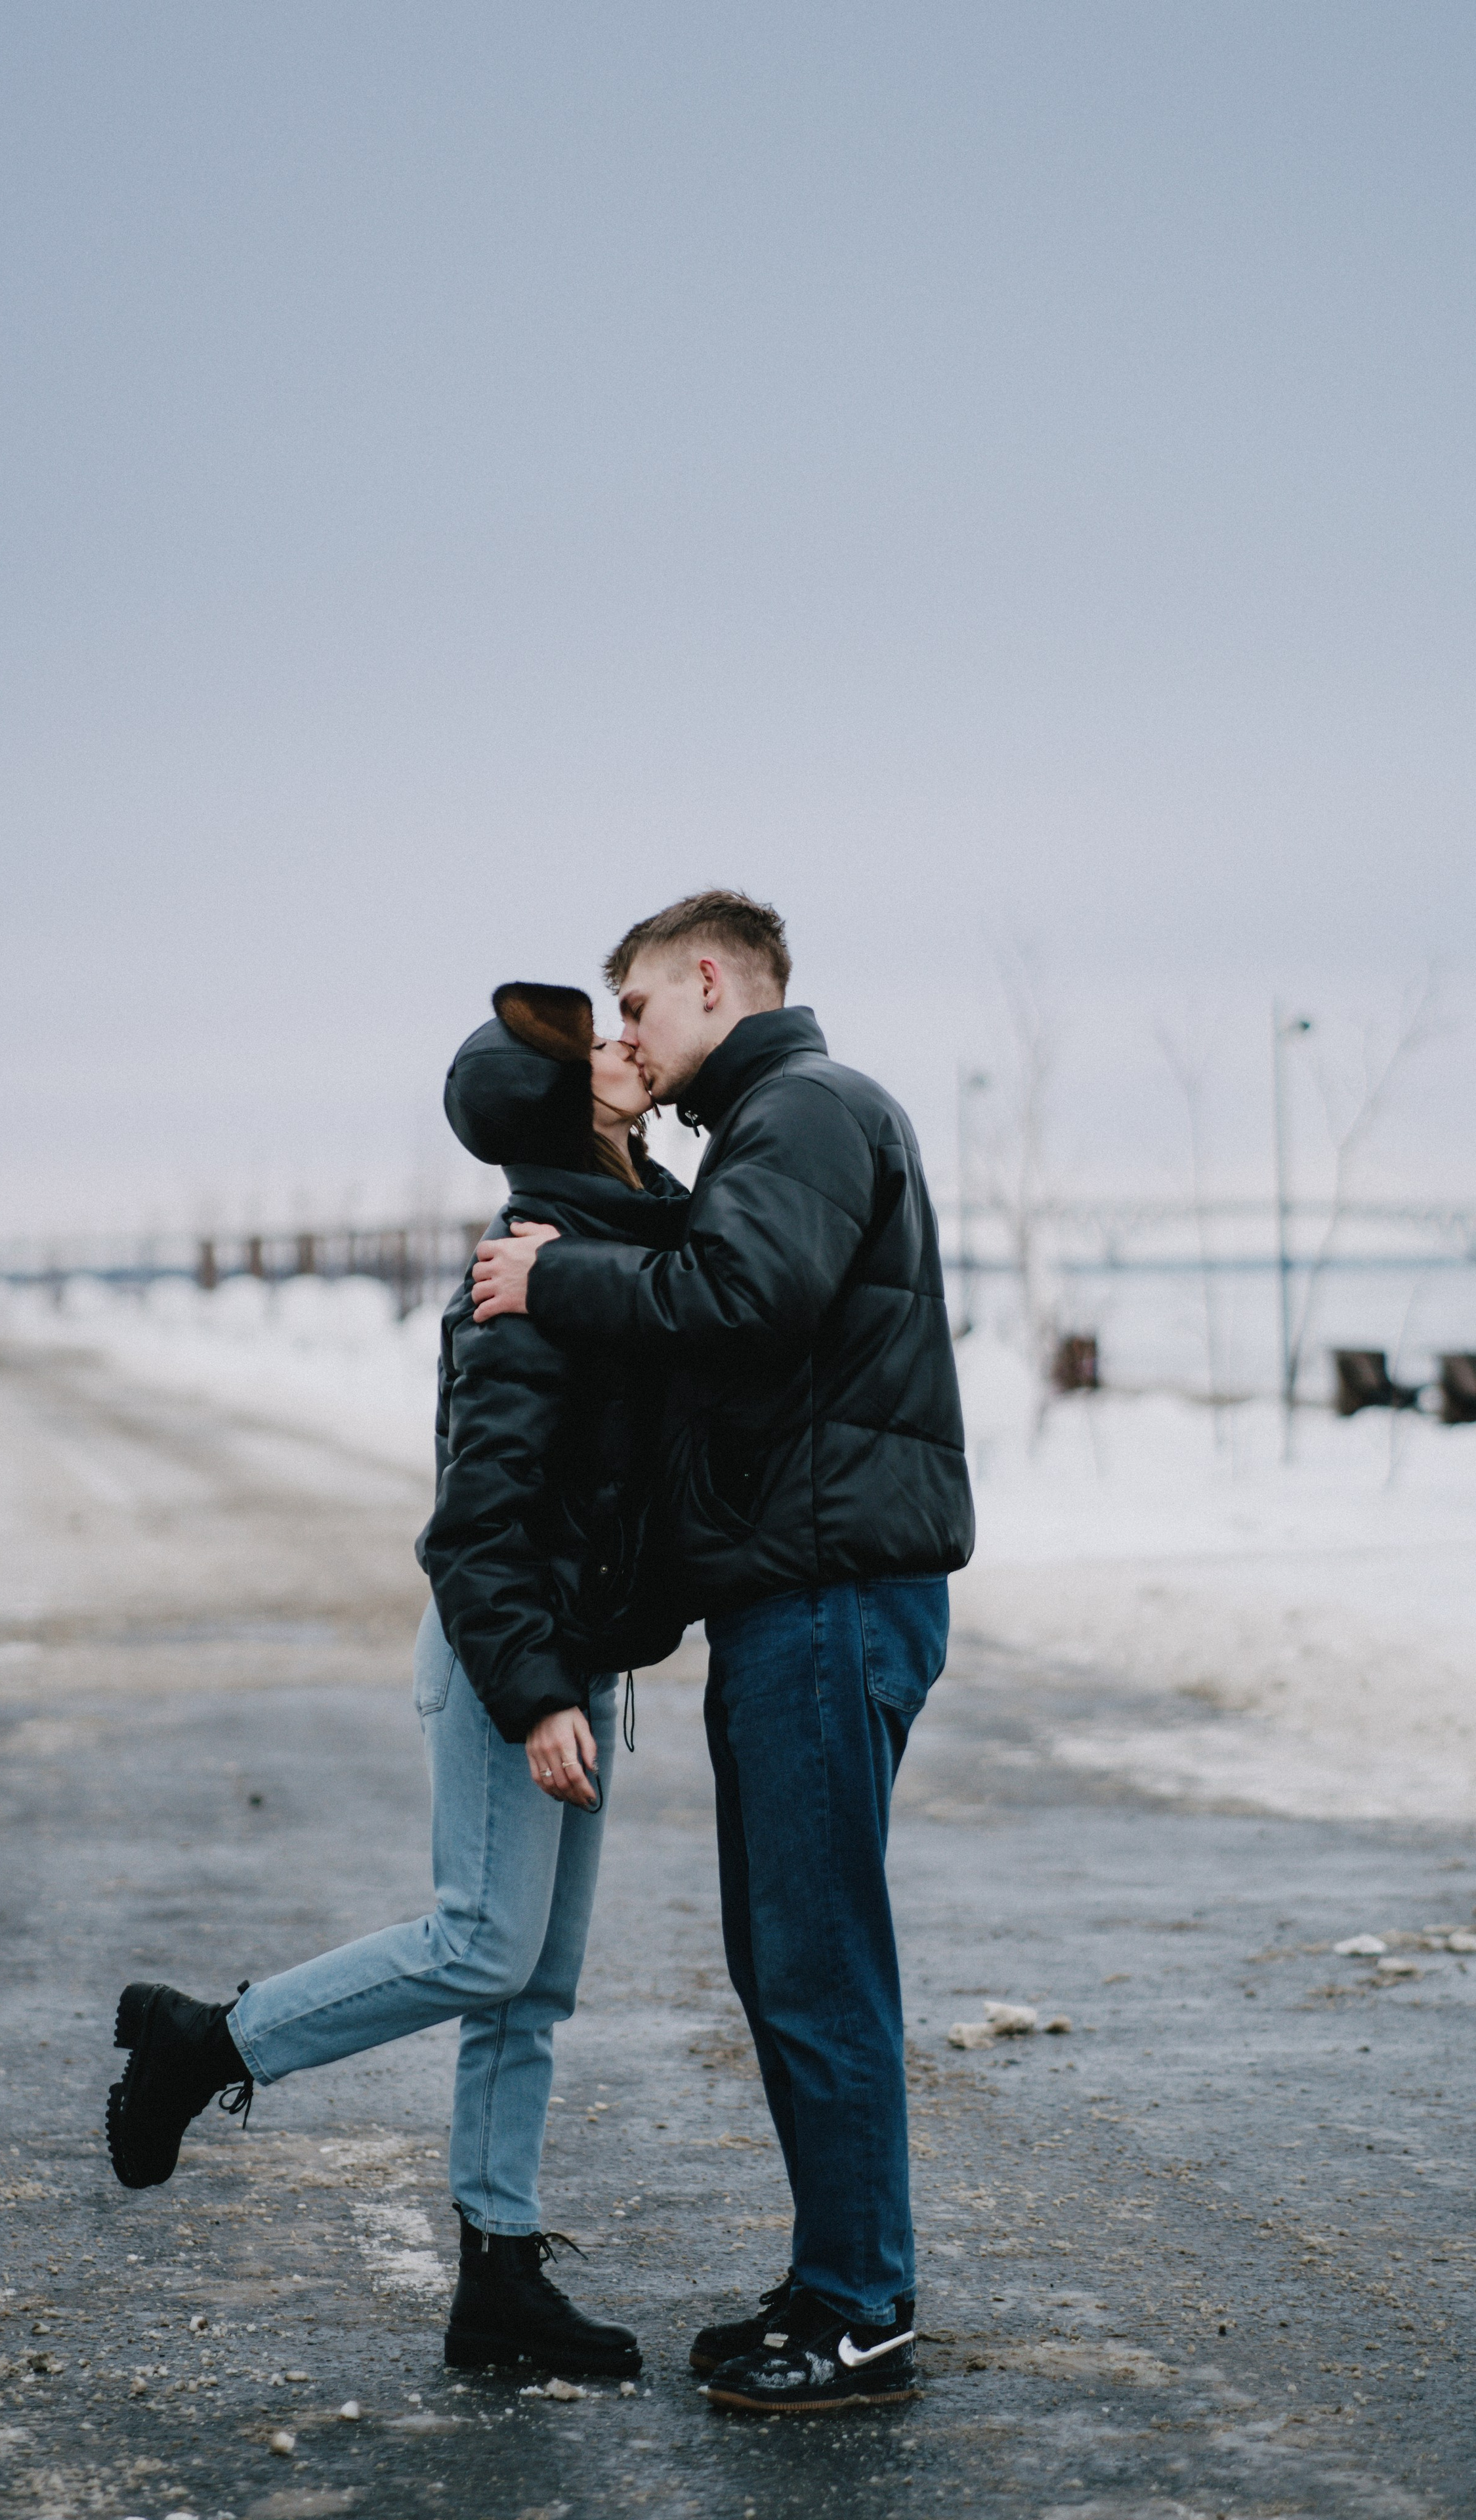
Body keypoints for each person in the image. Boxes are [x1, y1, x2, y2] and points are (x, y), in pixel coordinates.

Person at [104, 982, 688, 2380]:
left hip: (569, 1653)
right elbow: (473, 1528)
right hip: (510, 1654)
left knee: (530, 1987)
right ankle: (207, 2044)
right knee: (484, 1944)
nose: (624, 1042)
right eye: (594, 1049)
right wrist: (535, 1694)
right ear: (556, 1110)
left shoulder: (615, 1234)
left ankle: (498, 2283)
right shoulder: (522, 1274)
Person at [471, 892, 975, 2415]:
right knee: (786, 1958)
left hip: (829, 1595)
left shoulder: (805, 1109)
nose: (623, 1036)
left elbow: (741, 1301)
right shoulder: (773, 1123)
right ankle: (838, 2278)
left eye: (632, 1005)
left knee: (814, 1960)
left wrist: (549, 1277)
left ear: (707, 981)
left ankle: (858, 2312)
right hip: (800, 1594)